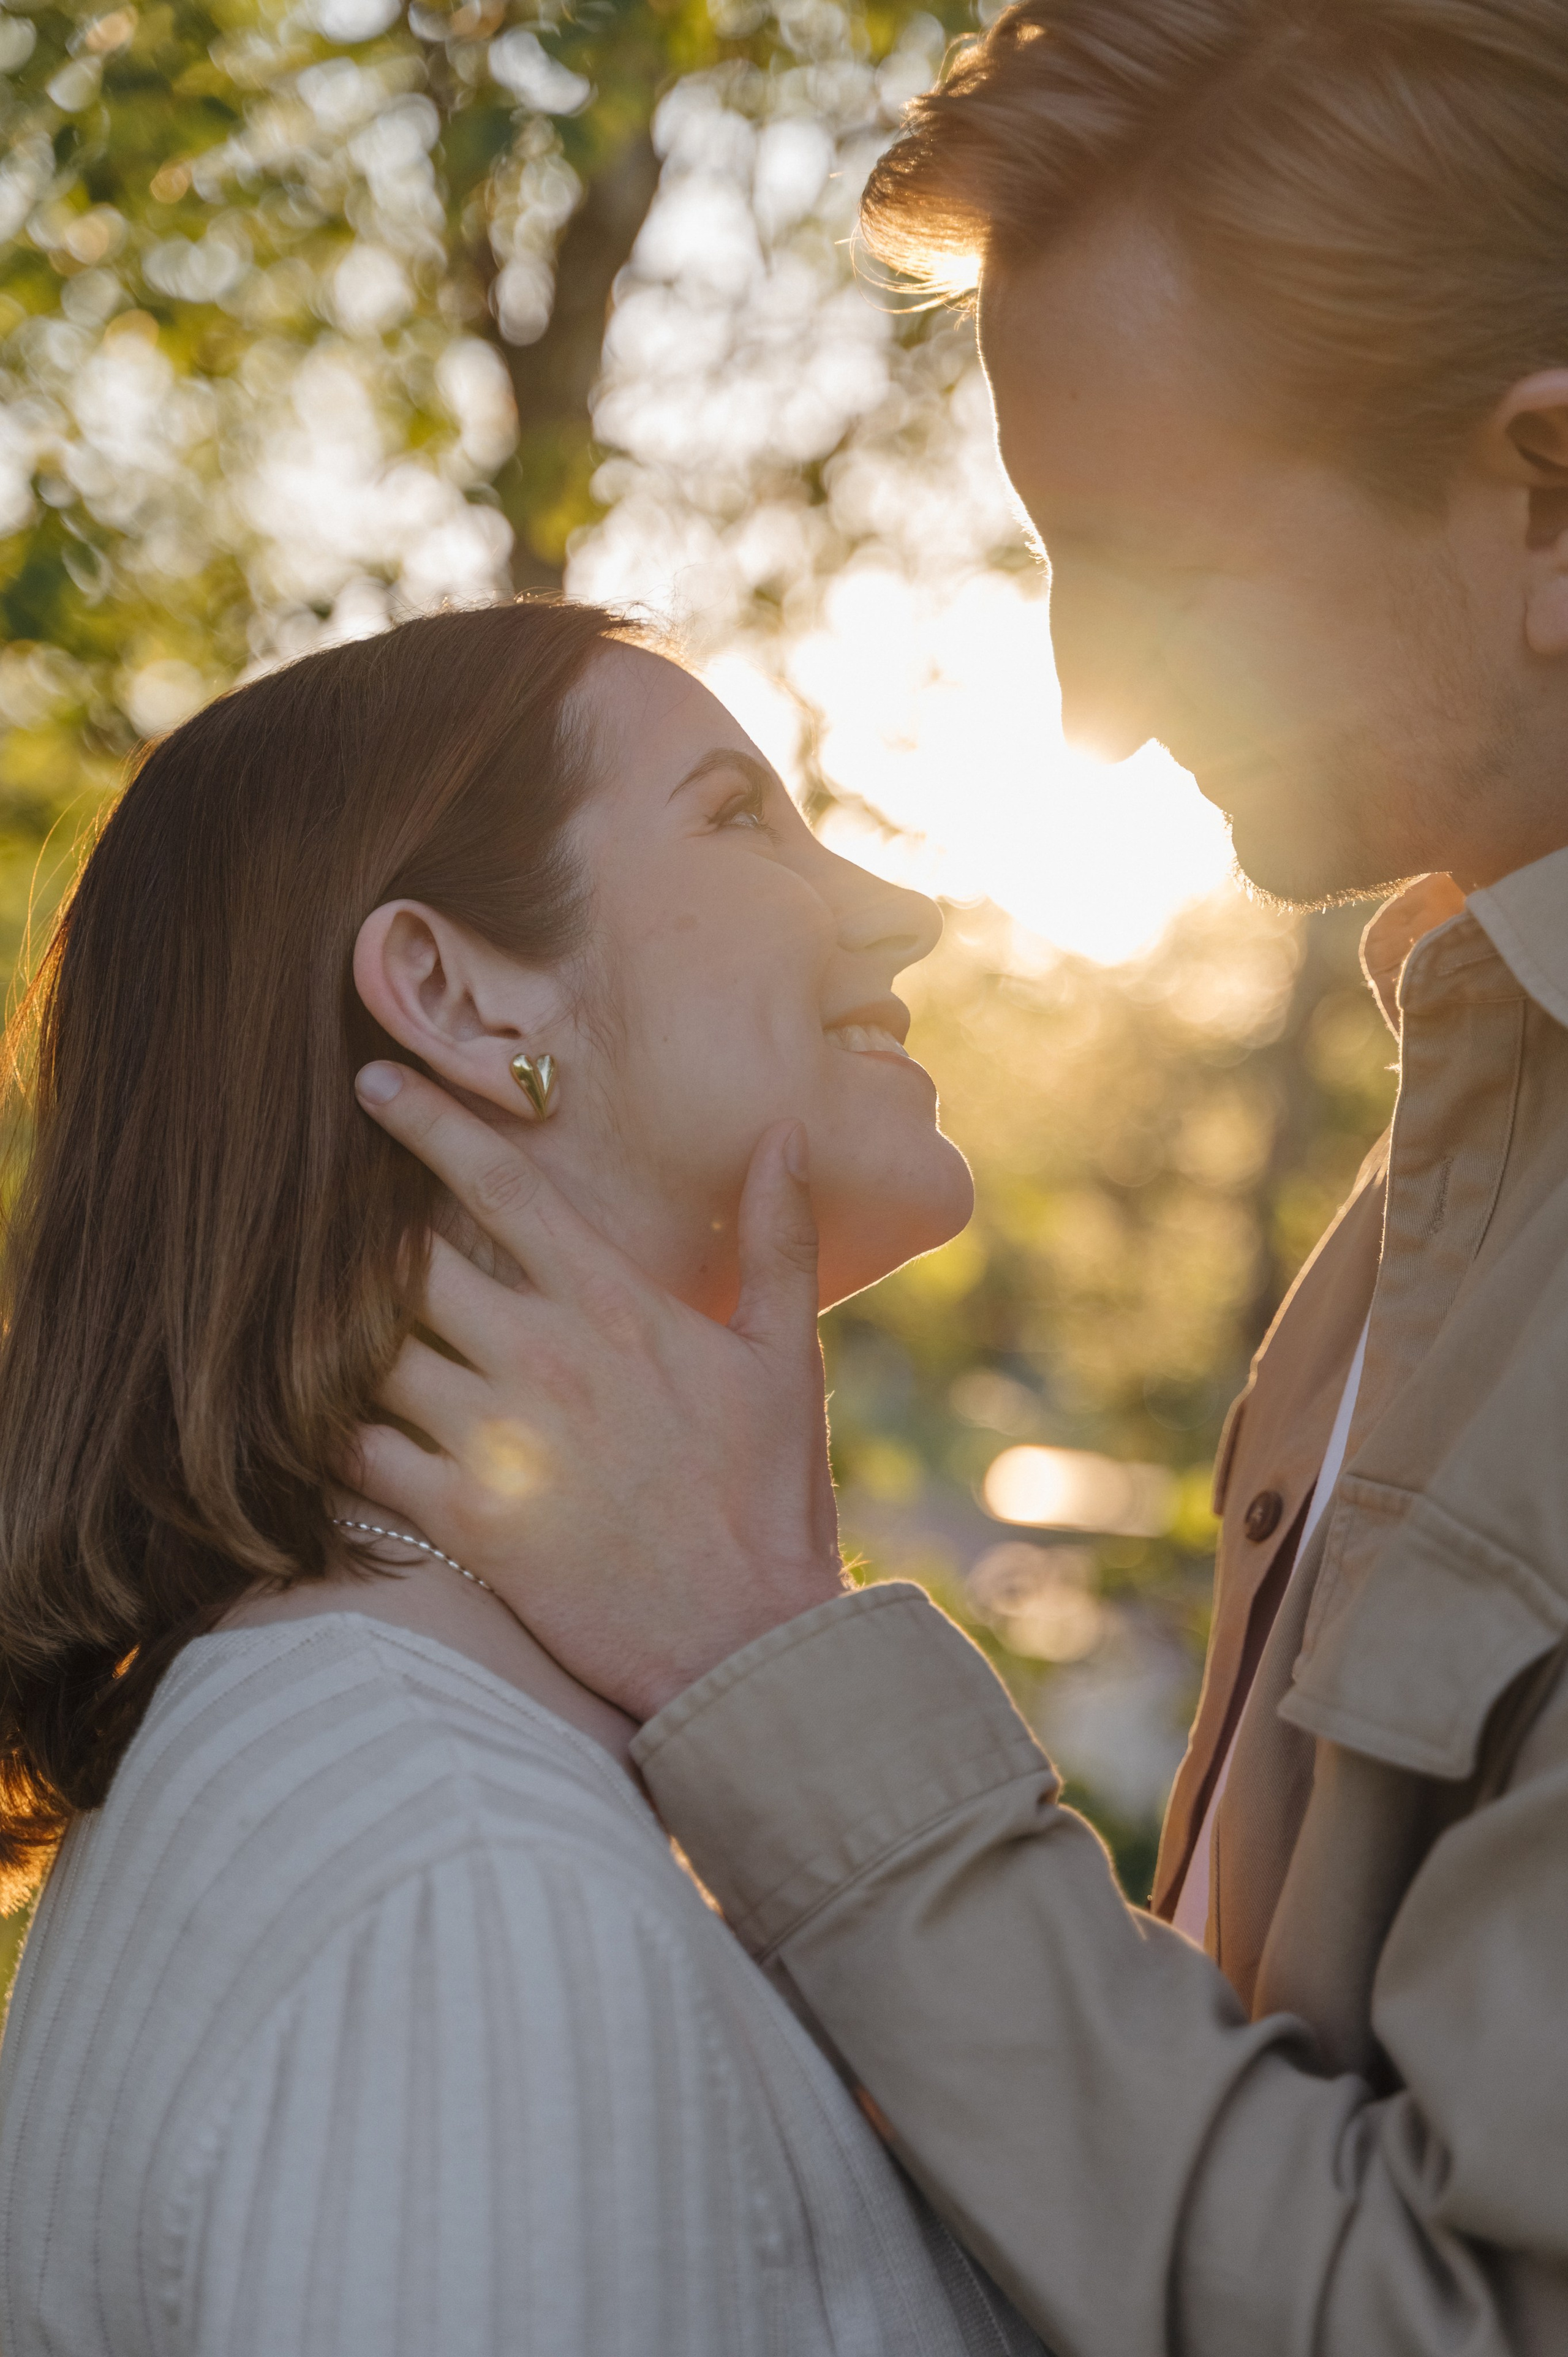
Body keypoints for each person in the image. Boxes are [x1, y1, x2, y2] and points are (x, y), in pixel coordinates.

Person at [344, 5, 1568, 2353]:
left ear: (1547, 493)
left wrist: (770, 1680)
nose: (1090, 698)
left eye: (1156, 557)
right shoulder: (1451, 1180)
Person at [0, 600, 1042, 2357]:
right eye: (734, 812)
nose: (902, 910)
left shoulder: (404, 1760)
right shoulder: (470, 1898)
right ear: (455, 995)